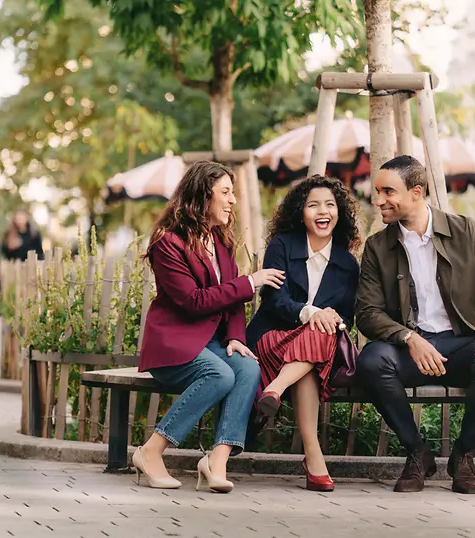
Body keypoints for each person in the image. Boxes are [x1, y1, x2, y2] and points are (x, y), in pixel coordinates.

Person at [355, 156, 475, 494]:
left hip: (462, 345)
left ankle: (463, 454)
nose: (379, 200)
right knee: (372, 361)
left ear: (416, 193)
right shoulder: (377, 247)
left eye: (388, 191)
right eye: (377, 191)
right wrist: (407, 338)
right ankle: (417, 452)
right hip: (410, 351)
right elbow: (367, 312)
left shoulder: (465, 231)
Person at [134, 160, 285, 493]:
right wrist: (250, 282)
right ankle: (151, 451)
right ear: (203, 195)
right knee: (220, 374)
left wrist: (234, 337)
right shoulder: (168, 244)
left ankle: (217, 461)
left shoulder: (220, 242)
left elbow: (230, 300)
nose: (232, 200)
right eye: (226, 192)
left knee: (246, 367)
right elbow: (193, 301)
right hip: (174, 347)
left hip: (211, 344)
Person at [246, 175, 361, 492]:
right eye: (313, 205)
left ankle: (276, 392)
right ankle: (313, 459)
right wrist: (311, 313)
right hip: (272, 339)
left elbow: (346, 317)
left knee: (325, 333)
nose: (322, 211)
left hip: (312, 354)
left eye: (329, 205)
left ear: (339, 213)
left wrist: (331, 319)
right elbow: (273, 300)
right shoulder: (282, 246)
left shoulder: (348, 265)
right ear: (301, 213)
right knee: (319, 331)